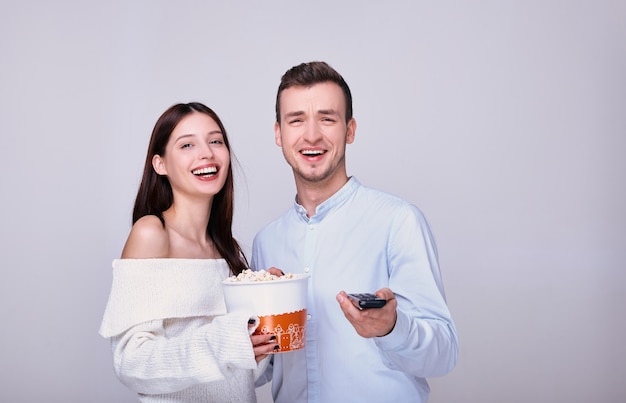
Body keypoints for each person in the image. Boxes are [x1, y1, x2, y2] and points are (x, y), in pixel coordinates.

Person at [251, 62, 459, 402]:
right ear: (279, 133)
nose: (312, 135)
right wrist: (250, 344)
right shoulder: (266, 242)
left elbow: (444, 351)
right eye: (297, 119)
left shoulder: (399, 222)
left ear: (350, 130)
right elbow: (272, 368)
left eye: (327, 118)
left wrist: (392, 329)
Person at [99, 102, 278, 402]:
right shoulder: (152, 233)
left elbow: (238, 376)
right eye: (187, 145)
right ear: (160, 164)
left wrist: (265, 314)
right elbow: (131, 362)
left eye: (215, 141)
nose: (206, 152)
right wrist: (226, 342)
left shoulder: (227, 250)